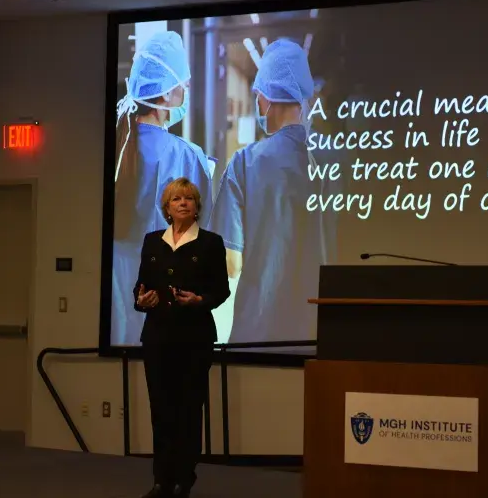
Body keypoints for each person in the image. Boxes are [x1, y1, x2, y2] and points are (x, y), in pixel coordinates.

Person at [208, 38, 336, 344]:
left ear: (265, 97)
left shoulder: (244, 164)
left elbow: (230, 263)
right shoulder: (337, 161)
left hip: (260, 331)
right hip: (323, 329)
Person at [113, 30, 214, 346]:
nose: (186, 90)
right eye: (183, 85)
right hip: (170, 312)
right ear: (167, 94)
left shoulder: (115, 148)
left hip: (117, 303)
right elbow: (206, 232)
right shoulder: (187, 156)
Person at [134, 177, 230, 498]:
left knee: (189, 410)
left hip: (194, 339)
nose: (183, 203)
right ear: (168, 207)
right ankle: (161, 479)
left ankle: (183, 480)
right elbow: (141, 285)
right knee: (161, 410)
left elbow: (221, 290)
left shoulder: (210, 243)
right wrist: (142, 299)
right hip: (158, 337)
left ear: (197, 206)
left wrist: (200, 301)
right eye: (177, 199)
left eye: (189, 198)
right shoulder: (152, 241)